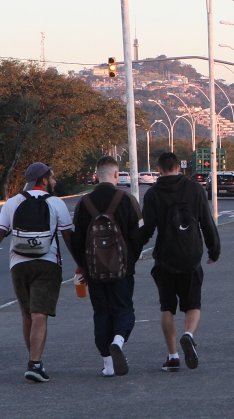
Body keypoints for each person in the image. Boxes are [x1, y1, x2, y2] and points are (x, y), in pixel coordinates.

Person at [0, 162, 73, 383]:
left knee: (27, 314)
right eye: (52, 177)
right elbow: (68, 237)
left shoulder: (12, 203)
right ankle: (35, 363)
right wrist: (81, 264)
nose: (54, 181)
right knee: (40, 314)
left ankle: (34, 360)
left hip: (18, 265)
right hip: (47, 263)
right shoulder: (57, 203)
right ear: (44, 180)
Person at [142, 152, 220, 372]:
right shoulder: (195, 189)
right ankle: (188, 335)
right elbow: (206, 222)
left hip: (165, 258)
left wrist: (131, 251)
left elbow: (147, 230)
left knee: (167, 306)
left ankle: (173, 356)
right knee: (193, 303)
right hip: (191, 256)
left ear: (160, 169)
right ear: (179, 167)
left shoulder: (153, 194)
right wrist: (214, 250)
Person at [71, 156, 144, 377]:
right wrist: (130, 262)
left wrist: (84, 266)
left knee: (101, 312)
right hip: (122, 270)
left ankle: (107, 363)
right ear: (116, 174)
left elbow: (76, 240)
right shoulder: (127, 199)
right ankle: (119, 342)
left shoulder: (84, 203)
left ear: (96, 175)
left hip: (94, 271)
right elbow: (139, 236)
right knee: (123, 309)